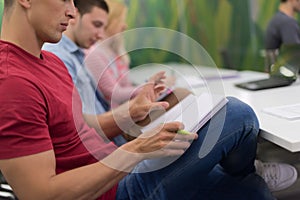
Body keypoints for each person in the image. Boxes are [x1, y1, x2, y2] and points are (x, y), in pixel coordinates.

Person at [0, 1, 287, 200]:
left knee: (252, 191)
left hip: (118, 170)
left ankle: (246, 173)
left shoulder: (49, 61)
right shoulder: (12, 82)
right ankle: (245, 168)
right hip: (116, 189)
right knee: (236, 115)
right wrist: (137, 150)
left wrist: (128, 114)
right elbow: (40, 194)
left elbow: (83, 125)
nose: (72, 11)